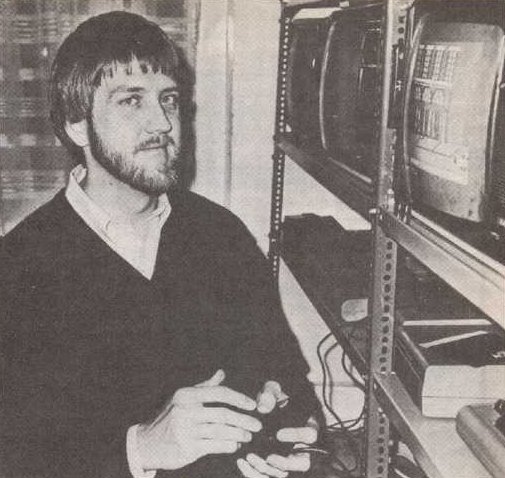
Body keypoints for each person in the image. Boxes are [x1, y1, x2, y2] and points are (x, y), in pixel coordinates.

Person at [0, 11, 320, 478]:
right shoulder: (20, 267)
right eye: (131, 101)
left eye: (168, 99)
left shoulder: (221, 236)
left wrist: (291, 420)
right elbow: (14, 457)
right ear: (76, 125)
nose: (163, 123)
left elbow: (288, 376)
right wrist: (141, 449)